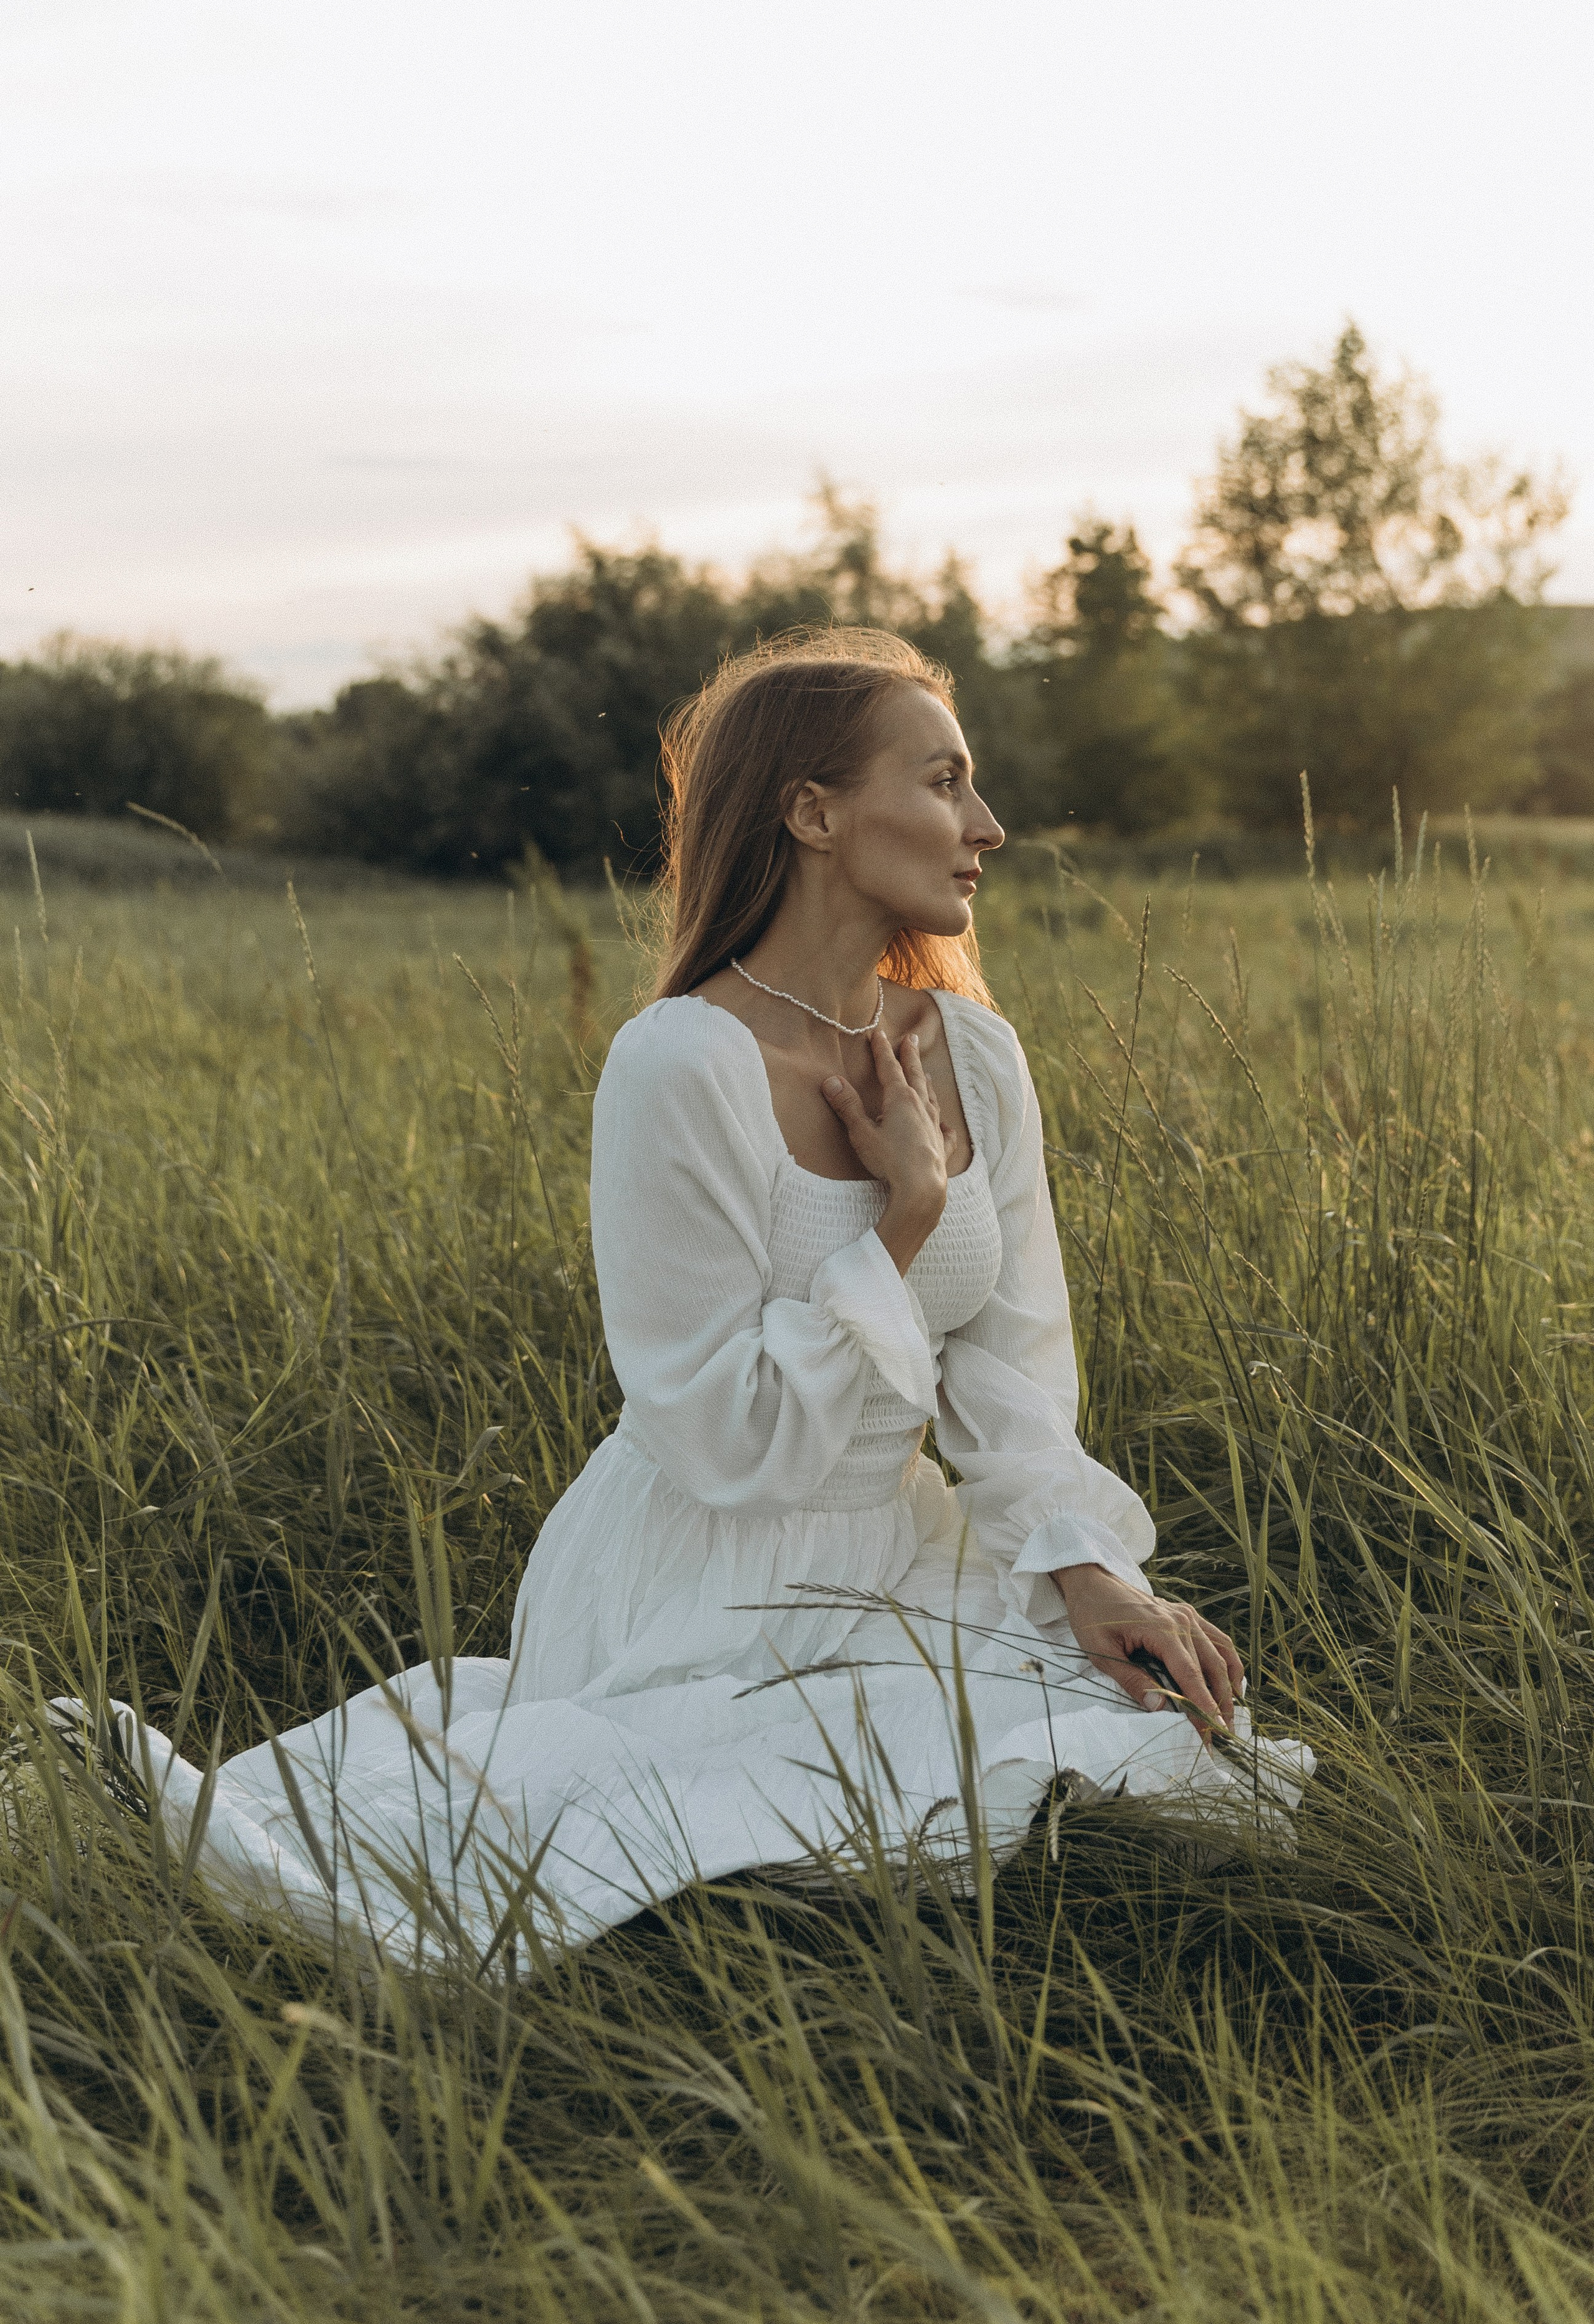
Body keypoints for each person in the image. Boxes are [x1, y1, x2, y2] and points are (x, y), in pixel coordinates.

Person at [112, 629, 1311, 1952]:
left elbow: (1011, 1368)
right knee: (700, 1808)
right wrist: (900, 1224)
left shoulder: (972, 1050)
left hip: (893, 1547)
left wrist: (1088, 1574)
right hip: (695, 1572)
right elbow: (719, 1432)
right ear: (811, 811)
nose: (988, 823)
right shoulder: (677, 1062)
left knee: (1161, 1736)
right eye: (942, 781)